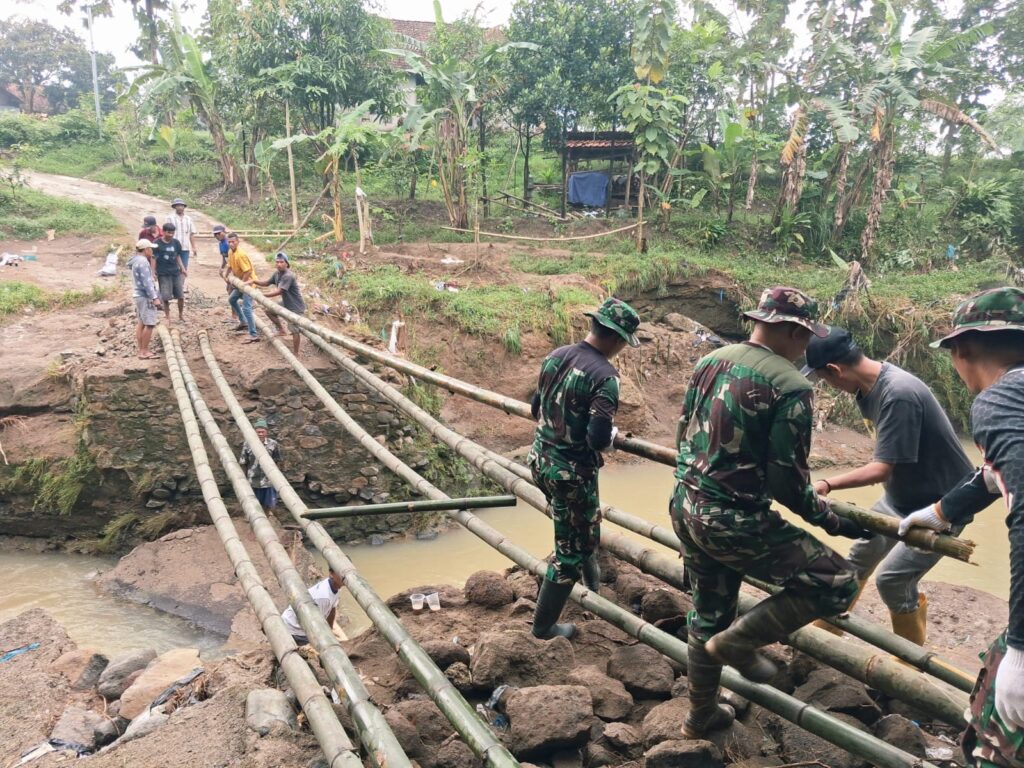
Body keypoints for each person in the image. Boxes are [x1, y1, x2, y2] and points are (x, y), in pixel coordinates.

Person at [672, 286, 871, 740]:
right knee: (838, 581)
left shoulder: (709, 361)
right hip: (734, 519)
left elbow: (683, 433)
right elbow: (788, 483)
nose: (807, 347)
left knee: (708, 613)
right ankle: (739, 643)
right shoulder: (791, 386)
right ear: (792, 331)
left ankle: (699, 717)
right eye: (806, 336)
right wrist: (832, 521)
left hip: (685, 505)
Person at [898, 287, 1024, 768]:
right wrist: (943, 511)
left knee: (994, 745)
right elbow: (998, 473)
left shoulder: (1001, 399)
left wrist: (1021, 651)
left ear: (963, 349)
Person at [805, 327, 974, 643]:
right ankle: (827, 632)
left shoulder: (898, 394)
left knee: (893, 581)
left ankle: (909, 660)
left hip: (941, 505)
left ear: (834, 370)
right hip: (900, 498)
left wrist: (827, 483)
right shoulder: (867, 388)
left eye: (825, 379)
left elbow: (881, 469)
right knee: (857, 560)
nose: (829, 386)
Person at [527, 297, 641, 641]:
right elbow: (597, 438)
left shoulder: (556, 355)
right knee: (570, 553)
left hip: (540, 461)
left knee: (581, 528)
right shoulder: (605, 377)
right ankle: (543, 627)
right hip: (571, 476)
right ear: (617, 339)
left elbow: (535, 408)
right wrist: (612, 437)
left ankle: (593, 589)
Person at [252, 252, 306, 354]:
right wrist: (254, 281)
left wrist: (262, 295)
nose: (279, 264)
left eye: (281, 262)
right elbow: (266, 283)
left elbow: (279, 291)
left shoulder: (288, 276)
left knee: (294, 329)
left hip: (295, 306)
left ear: (287, 263)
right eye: (277, 262)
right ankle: (281, 330)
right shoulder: (277, 274)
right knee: (269, 311)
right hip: (286, 302)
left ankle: (296, 353)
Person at [280, 569, 346, 646]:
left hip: (304, 619)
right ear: (331, 574)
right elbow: (314, 624)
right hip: (294, 628)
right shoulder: (324, 597)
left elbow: (332, 610)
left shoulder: (335, 587)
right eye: (341, 572)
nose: (345, 576)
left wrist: (330, 630)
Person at [223, 232, 260, 344]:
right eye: (229, 242)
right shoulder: (230, 252)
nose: (231, 244)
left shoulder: (241, 255)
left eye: (233, 242)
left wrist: (242, 284)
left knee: (246, 308)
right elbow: (230, 265)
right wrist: (226, 275)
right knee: (232, 299)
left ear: (238, 242)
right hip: (240, 283)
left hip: (249, 284)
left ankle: (253, 334)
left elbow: (248, 271)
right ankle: (243, 321)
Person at [128, 239, 161, 359]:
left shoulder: (135, 261)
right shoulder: (143, 262)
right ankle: (144, 351)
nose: (152, 251)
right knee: (150, 324)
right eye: (151, 249)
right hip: (145, 296)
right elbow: (147, 283)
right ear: (146, 249)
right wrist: (154, 297)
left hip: (138, 295)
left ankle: (141, 350)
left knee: (141, 323)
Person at [239, 418, 281, 510]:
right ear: (254, 432)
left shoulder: (273, 444)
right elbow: (243, 462)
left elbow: (277, 460)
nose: (261, 434)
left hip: (268, 480)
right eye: (258, 432)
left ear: (266, 432)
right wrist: (244, 479)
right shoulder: (247, 444)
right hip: (253, 479)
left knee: (269, 504)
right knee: (254, 505)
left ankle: (269, 514)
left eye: (263, 432)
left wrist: (276, 476)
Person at [153, 222, 187, 323]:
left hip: (175, 272)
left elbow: (177, 256)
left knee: (180, 296)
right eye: (169, 232)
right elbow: (153, 258)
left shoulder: (176, 243)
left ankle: (180, 315)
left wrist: (182, 268)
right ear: (163, 232)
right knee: (165, 297)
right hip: (163, 273)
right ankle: (167, 317)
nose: (171, 235)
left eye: (172, 233)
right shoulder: (157, 243)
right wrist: (153, 271)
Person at [166, 198, 198, 274]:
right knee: (173, 267)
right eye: (178, 206)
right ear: (174, 207)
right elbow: (166, 232)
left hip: (185, 247)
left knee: (184, 268)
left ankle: (181, 282)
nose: (180, 207)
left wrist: (193, 247)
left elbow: (191, 233)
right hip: (173, 247)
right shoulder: (170, 218)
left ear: (184, 207)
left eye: (181, 205)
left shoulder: (188, 219)